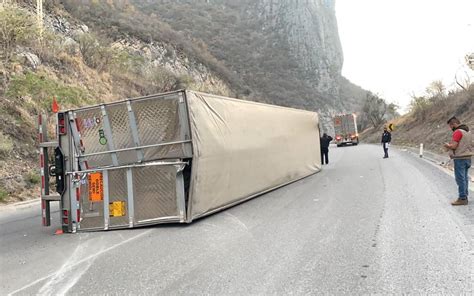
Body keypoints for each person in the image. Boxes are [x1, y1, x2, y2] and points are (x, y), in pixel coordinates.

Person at [444, 116, 472, 206]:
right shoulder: (468, 132)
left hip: (460, 158)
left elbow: (454, 146)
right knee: (465, 178)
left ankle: (462, 198)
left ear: (454, 124)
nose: (450, 128)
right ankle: (465, 196)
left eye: (450, 126)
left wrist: (447, 145)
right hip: (468, 157)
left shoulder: (457, 132)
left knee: (460, 179)